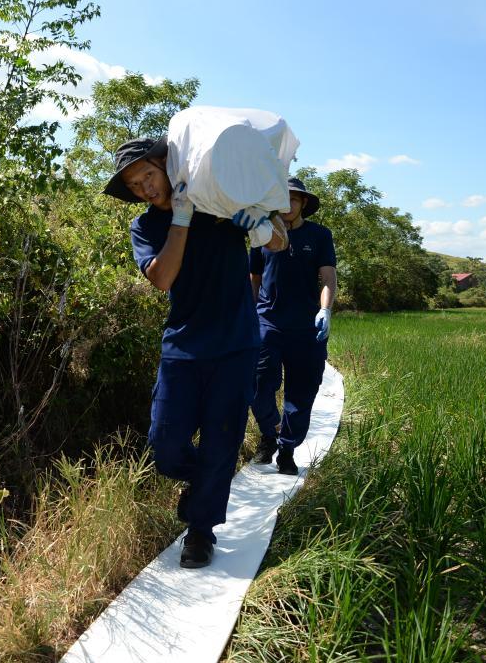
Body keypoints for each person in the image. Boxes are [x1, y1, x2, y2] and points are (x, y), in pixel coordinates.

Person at [103, 136, 261, 569]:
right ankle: (205, 480)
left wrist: (262, 223)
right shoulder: (145, 227)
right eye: (135, 185)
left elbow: (278, 240)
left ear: (165, 165)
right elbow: (162, 279)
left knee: (221, 440)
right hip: (183, 347)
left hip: (235, 345)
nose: (145, 189)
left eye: (148, 176)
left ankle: (200, 531)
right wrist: (181, 220)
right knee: (165, 445)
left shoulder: (217, 204)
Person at [249, 177, 337, 475]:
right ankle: (269, 434)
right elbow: (254, 278)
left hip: (306, 327)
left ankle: (287, 449)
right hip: (268, 321)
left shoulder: (319, 235)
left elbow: (328, 277)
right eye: (282, 199)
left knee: (302, 392)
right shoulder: (261, 234)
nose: (287, 204)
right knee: (257, 382)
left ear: (303, 203)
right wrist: (249, 314)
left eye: (294, 199)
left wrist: (325, 310)